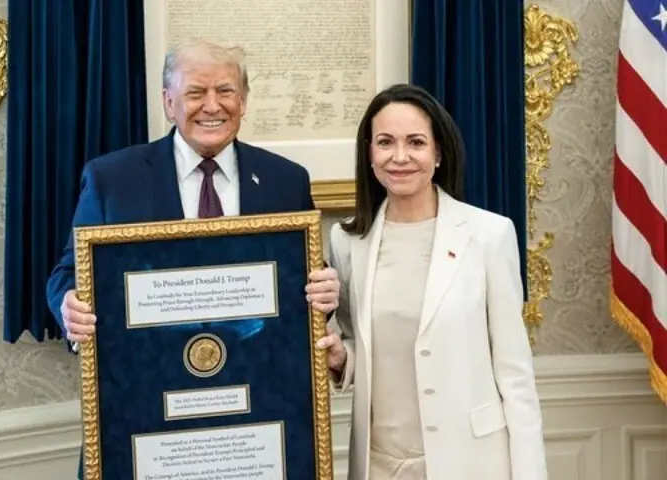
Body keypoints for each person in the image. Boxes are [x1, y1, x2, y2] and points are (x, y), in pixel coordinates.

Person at [45, 39, 340, 479]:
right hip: (145, 403)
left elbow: (297, 286)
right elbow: (68, 273)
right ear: (168, 102)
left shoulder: (285, 180)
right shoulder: (112, 179)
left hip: (254, 409)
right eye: (195, 93)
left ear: (243, 100)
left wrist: (324, 294)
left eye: (225, 91)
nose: (212, 106)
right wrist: (70, 305)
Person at [315, 84, 547, 480]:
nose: (400, 157)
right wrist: (339, 358)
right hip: (378, 464)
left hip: (472, 461)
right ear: (369, 153)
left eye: (416, 142)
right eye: (385, 142)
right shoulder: (347, 240)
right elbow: (362, 346)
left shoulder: (489, 235)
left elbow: (515, 374)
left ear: (438, 153)